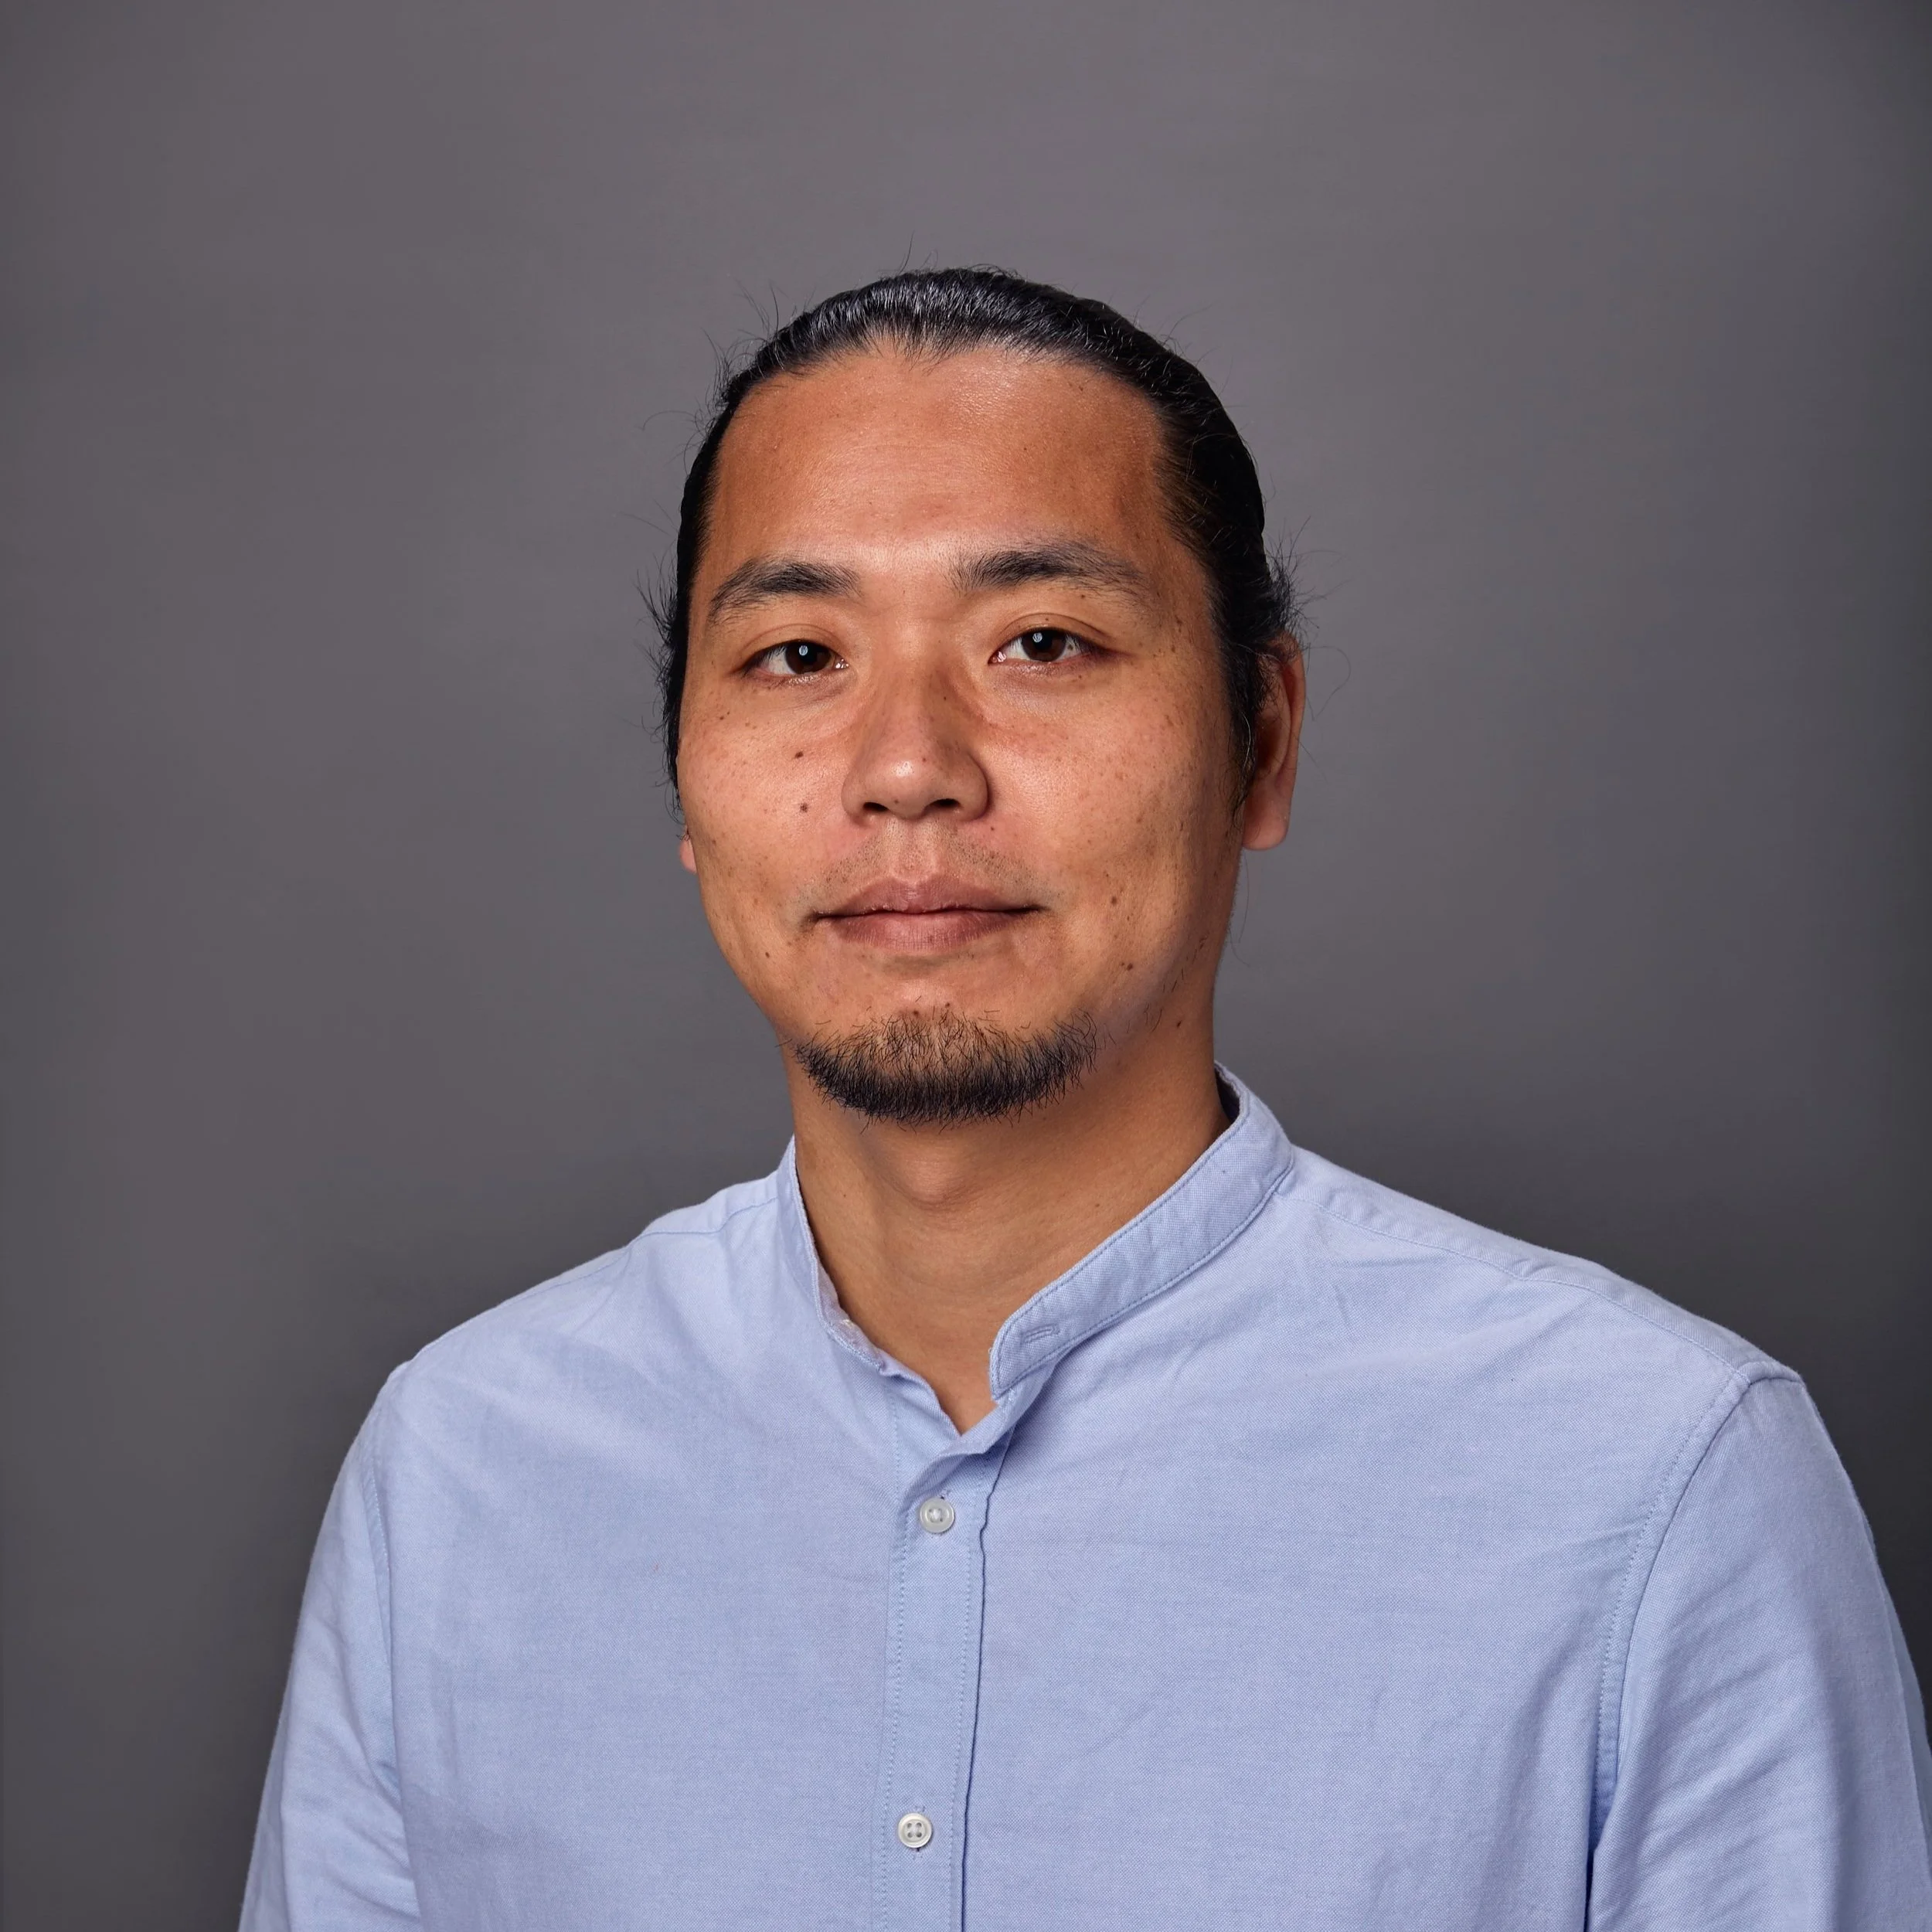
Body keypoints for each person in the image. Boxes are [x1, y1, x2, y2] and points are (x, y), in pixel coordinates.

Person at [240, 268, 1932, 1930]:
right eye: (797, 653)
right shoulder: (460, 1474)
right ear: (683, 777)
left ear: (1260, 740)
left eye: (1041, 641)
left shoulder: (1654, 1487)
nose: (908, 766)